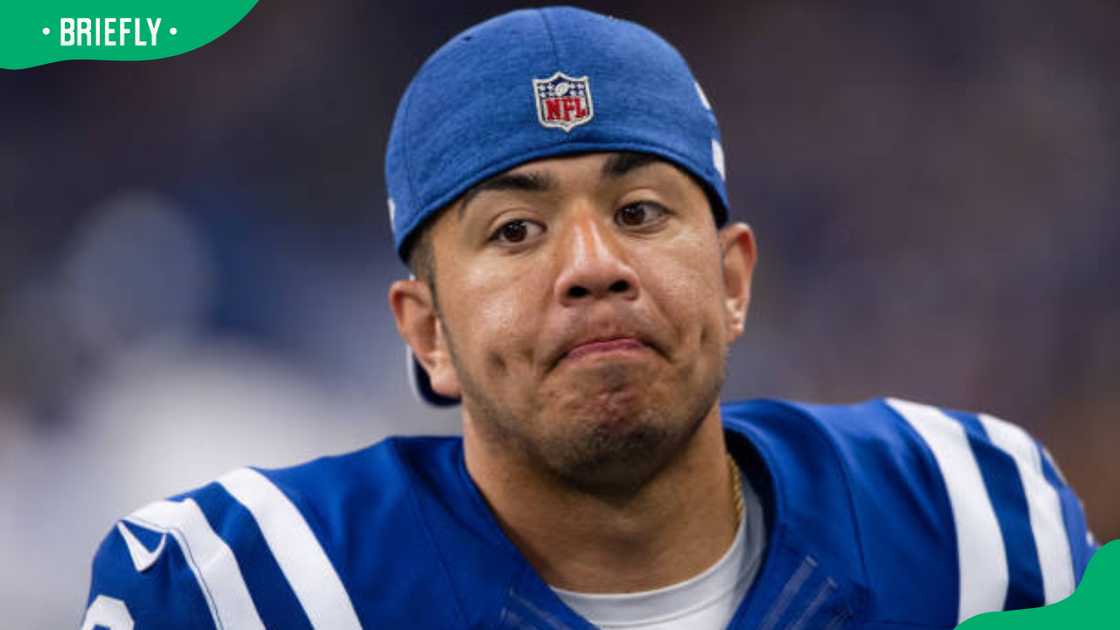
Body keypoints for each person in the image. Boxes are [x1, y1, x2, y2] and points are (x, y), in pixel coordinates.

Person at [82, 7, 1097, 629]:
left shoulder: (964, 518)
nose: (593, 267)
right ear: (425, 331)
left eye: (640, 211)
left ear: (733, 279)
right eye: (516, 230)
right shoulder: (238, 591)